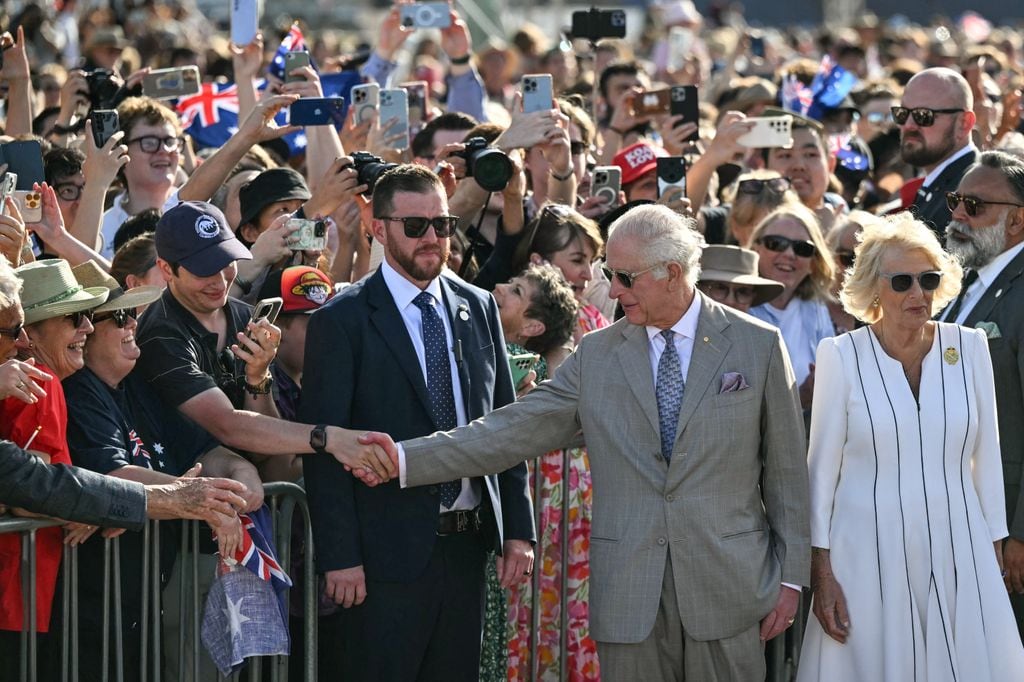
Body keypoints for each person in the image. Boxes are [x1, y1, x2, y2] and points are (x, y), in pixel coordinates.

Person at [354, 203, 811, 680]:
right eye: (608, 273)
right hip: (631, 598)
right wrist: (403, 458)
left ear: (673, 273)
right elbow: (505, 431)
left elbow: (786, 475)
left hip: (730, 590)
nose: (612, 289)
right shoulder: (598, 355)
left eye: (625, 277)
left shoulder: (755, 345)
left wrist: (793, 578)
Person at [300, 164, 536, 680]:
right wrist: (339, 557)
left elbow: (505, 424)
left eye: (443, 224)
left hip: (467, 547)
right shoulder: (341, 320)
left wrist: (518, 529)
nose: (433, 238)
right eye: (415, 226)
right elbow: (323, 447)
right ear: (379, 229)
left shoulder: (477, 306)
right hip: (382, 560)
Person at [798, 211, 1024, 680]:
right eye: (902, 281)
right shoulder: (841, 356)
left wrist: (995, 547)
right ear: (873, 288)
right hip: (863, 554)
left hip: (959, 547)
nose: (918, 293)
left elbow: (987, 457)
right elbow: (820, 474)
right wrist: (821, 572)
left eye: (929, 279)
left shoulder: (970, 347)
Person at [63, 260, 259, 681]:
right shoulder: (78, 392)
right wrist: (195, 497)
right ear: (82, 328)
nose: (132, 323)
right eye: (117, 316)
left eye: (132, 312)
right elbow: (112, 478)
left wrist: (237, 488)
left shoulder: (138, 384)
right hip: (87, 608)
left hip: (142, 599)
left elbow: (216, 453)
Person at [0, 258, 109, 674]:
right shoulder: (40, 383)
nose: (88, 328)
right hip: (17, 589)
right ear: (33, 330)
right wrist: (89, 503)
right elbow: (31, 493)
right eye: (74, 317)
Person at [941, 151, 1024, 634]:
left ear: (1016, 220)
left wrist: (1021, 534)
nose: (957, 215)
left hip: (1006, 524)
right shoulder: (962, 281)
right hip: (963, 515)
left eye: (974, 205)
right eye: (956, 200)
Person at [748, 204, 836, 410]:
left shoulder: (816, 309)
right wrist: (799, 398)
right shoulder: (736, 305)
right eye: (776, 243)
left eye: (802, 248)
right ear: (755, 250)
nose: (789, 254)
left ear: (814, 263)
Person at [896, 67, 978, 237]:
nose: (909, 125)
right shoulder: (941, 183)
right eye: (902, 114)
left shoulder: (972, 194)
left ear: (964, 123)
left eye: (923, 115)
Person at [697, 244, 784, 314]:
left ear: (753, 297)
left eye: (743, 292)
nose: (730, 301)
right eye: (720, 288)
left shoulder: (761, 335)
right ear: (698, 289)